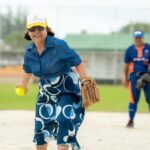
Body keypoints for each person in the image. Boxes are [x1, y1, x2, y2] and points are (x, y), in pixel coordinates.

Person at [17, 13, 88, 150]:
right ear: (28, 32)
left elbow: (77, 61)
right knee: (40, 126)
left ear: (46, 29)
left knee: (64, 121)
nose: (36, 32)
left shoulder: (59, 45)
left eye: (40, 28)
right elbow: (28, 70)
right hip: (46, 91)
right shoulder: (29, 51)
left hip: (66, 89)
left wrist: (84, 78)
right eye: (32, 29)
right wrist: (23, 84)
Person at [123, 30, 150, 128]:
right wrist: (125, 78)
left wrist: (148, 74)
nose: (138, 39)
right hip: (134, 77)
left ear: (143, 37)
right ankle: (131, 120)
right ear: (134, 38)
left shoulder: (148, 48)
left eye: (139, 37)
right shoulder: (129, 50)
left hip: (148, 77)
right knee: (133, 99)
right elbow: (126, 66)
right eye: (136, 37)